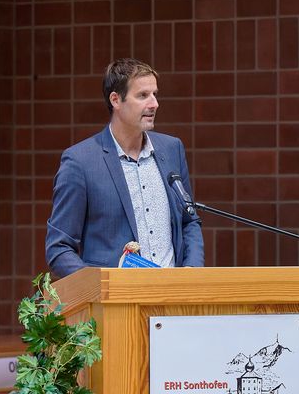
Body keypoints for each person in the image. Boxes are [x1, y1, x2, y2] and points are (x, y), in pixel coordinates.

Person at [46, 58, 204, 277]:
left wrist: (191, 271)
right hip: (117, 305)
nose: (154, 104)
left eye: (155, 94)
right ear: (116, 100)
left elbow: (189, 221)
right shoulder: (80, 162)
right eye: (142, 95)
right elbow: (59, 248)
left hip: (172, 300)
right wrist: (102, 286)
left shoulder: (171, 149)